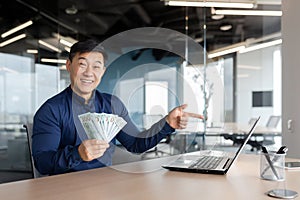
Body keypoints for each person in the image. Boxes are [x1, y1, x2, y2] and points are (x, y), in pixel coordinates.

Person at [32, 39, 204, 175]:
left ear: (103, 71)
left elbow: (136, 144)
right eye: (82, 64)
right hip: (64, 187)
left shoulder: (112, 104)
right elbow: (42, 163)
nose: (89, 72)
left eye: (96, 66)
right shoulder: (50, 110)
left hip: (105, 181)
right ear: (69, 65)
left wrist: (167, 124)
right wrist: (77, 154)